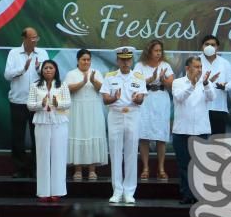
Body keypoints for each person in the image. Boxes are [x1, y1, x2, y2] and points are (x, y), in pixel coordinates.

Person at [100, 47, 146, 205]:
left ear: (132, 60)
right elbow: (105, 99)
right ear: (117, 60)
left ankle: (129, 191)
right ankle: (117, 190)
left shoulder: (139, 77)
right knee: (115, 153)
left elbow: (141, 99)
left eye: (128, 59)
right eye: (122, 59)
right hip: (115, 114)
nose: (126, 62)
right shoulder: (110, 76)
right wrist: (114, 98)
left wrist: (137, 98)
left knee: (131, 152)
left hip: (133, 114)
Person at [4, 27, 49, 178]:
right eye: (32, 38)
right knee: (18, 137)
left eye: (37, 38)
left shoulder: (42, 53)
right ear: (24, 39)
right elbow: (7, 75)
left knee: (38, 136)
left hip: (37, 102)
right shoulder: (13, 53)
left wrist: (38, 70)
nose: (35, 41)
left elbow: (49, 75)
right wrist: (22, 69)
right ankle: (20, 168)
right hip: (18, 101)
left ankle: (36, 168)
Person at [172, 56, 216, 204]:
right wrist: (192, 84)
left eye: (200, 67)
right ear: (187, 68)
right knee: (184, 164)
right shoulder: (178, 82)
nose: (199, 69)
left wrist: (205, 84)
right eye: (196, 67)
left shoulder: (206, 83)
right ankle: (186, 195)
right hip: (181, 130)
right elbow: (179, 97)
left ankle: (199, 196)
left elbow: (212, 97)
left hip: (201, 130)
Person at [28, 60, 72, 202]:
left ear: (55, 70)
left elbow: (68, 103)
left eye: (51, 68)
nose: (48, 70)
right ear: (41, 71)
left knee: (58, 156)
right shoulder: (35, 86)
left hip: (59, 122)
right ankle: (43, 192)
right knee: (43, 156)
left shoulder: (62, 85)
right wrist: (41, 104)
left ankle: (57, 191)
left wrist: (57, 103)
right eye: (45, 68)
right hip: (41, 122)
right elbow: (29, 105)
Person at [134, 40, 174, 181]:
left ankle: (161, 168)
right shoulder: (140, 66)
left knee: (161, 135)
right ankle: (145, 167)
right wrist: (150, 79)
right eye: (156, 50)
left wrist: (163, 79)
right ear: (149, 51)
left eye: (160, 51)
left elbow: (171, 84)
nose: (158, 53)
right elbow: (135, 83)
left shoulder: (166, 65)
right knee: (143, 134)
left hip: (161, 99)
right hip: (145, 98)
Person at [66, 49, 107, 181]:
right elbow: (67, 89)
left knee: (93, 135)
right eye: (83, 59)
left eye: (88, 59)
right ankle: (77, 170)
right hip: (77, 109)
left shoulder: (96, 73)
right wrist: (83, 82)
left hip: (94, 109)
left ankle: (92, 170)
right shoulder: (71, 74)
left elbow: (103, 89)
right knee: (78, 134)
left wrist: (93, 80)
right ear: (78, 60)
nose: (86, 62)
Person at [199, 35, 231, 135]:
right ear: (202, 46)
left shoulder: (225, 63)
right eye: (207, 44)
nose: (210, 47)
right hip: (200, 107)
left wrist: (225, 86)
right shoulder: (196, 62)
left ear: (217, 47)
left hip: (219, 108)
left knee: (217, 141)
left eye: (213, 45)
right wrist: (207, 82)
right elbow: (191, 83)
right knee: (200, 140)